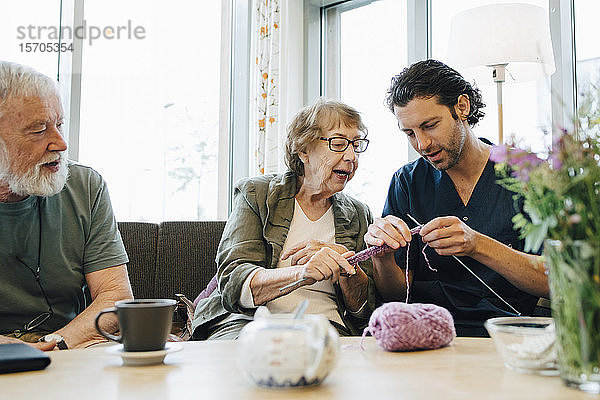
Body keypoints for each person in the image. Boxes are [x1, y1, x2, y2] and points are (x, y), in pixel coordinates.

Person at [365, 59, 549, 336]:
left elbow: (556, 281)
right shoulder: (407, 182)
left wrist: (476, 244)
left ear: (462, 107)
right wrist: (382, 256)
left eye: (429, 125)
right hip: (425, 339)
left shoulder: (530, 175)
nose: (422, 144)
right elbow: (395, 296)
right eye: (409, 134)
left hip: (506, 337)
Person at [192, 98, 375, 339]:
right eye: (339, 143)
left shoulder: (359, 214)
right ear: (303, 150)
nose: (352, 156)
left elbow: (364, 312)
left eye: (356, 145)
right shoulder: (256, 194)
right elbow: (233, 283)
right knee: (256, 353)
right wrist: (302, 273)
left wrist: (348, 271)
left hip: (327, 329)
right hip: (248, 323)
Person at [0, 61, 133, 350]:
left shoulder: (85, 186)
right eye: (38, 131)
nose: (60, 143)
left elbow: (115, 295)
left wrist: (56, 344)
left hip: (70, 346)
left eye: (59, 124)